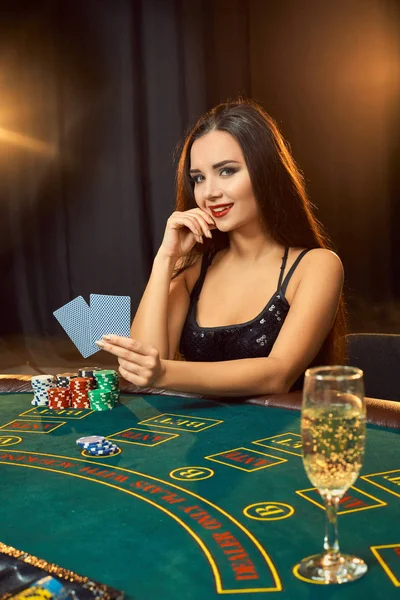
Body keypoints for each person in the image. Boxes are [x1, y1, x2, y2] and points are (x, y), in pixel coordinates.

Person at [96, 99, 346, 397]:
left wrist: (164, 372)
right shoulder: (194, 267)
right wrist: (166, 259)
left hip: (281, 437)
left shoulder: (316, 266)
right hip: (201, 435)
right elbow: (144, 365)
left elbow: (277, 375)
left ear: (266, 171)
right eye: (198, 178)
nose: (209, 192)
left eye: (226, 171)